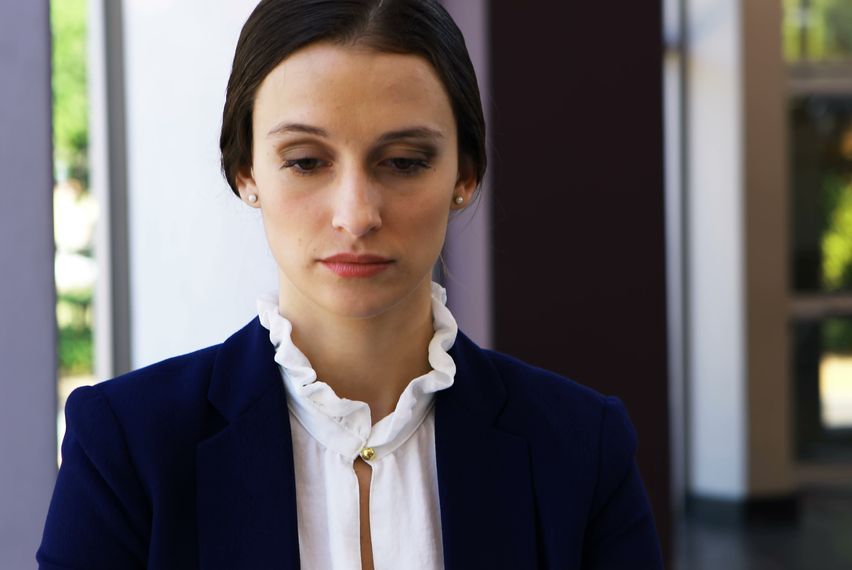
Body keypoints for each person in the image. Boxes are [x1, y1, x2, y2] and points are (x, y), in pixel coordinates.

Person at [37, 0, 663, 568]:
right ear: (245, 172)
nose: (357, 214)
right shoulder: (125, 447)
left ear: (464, 175)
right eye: (307, 162)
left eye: (404, 162)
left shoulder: (583, 448)